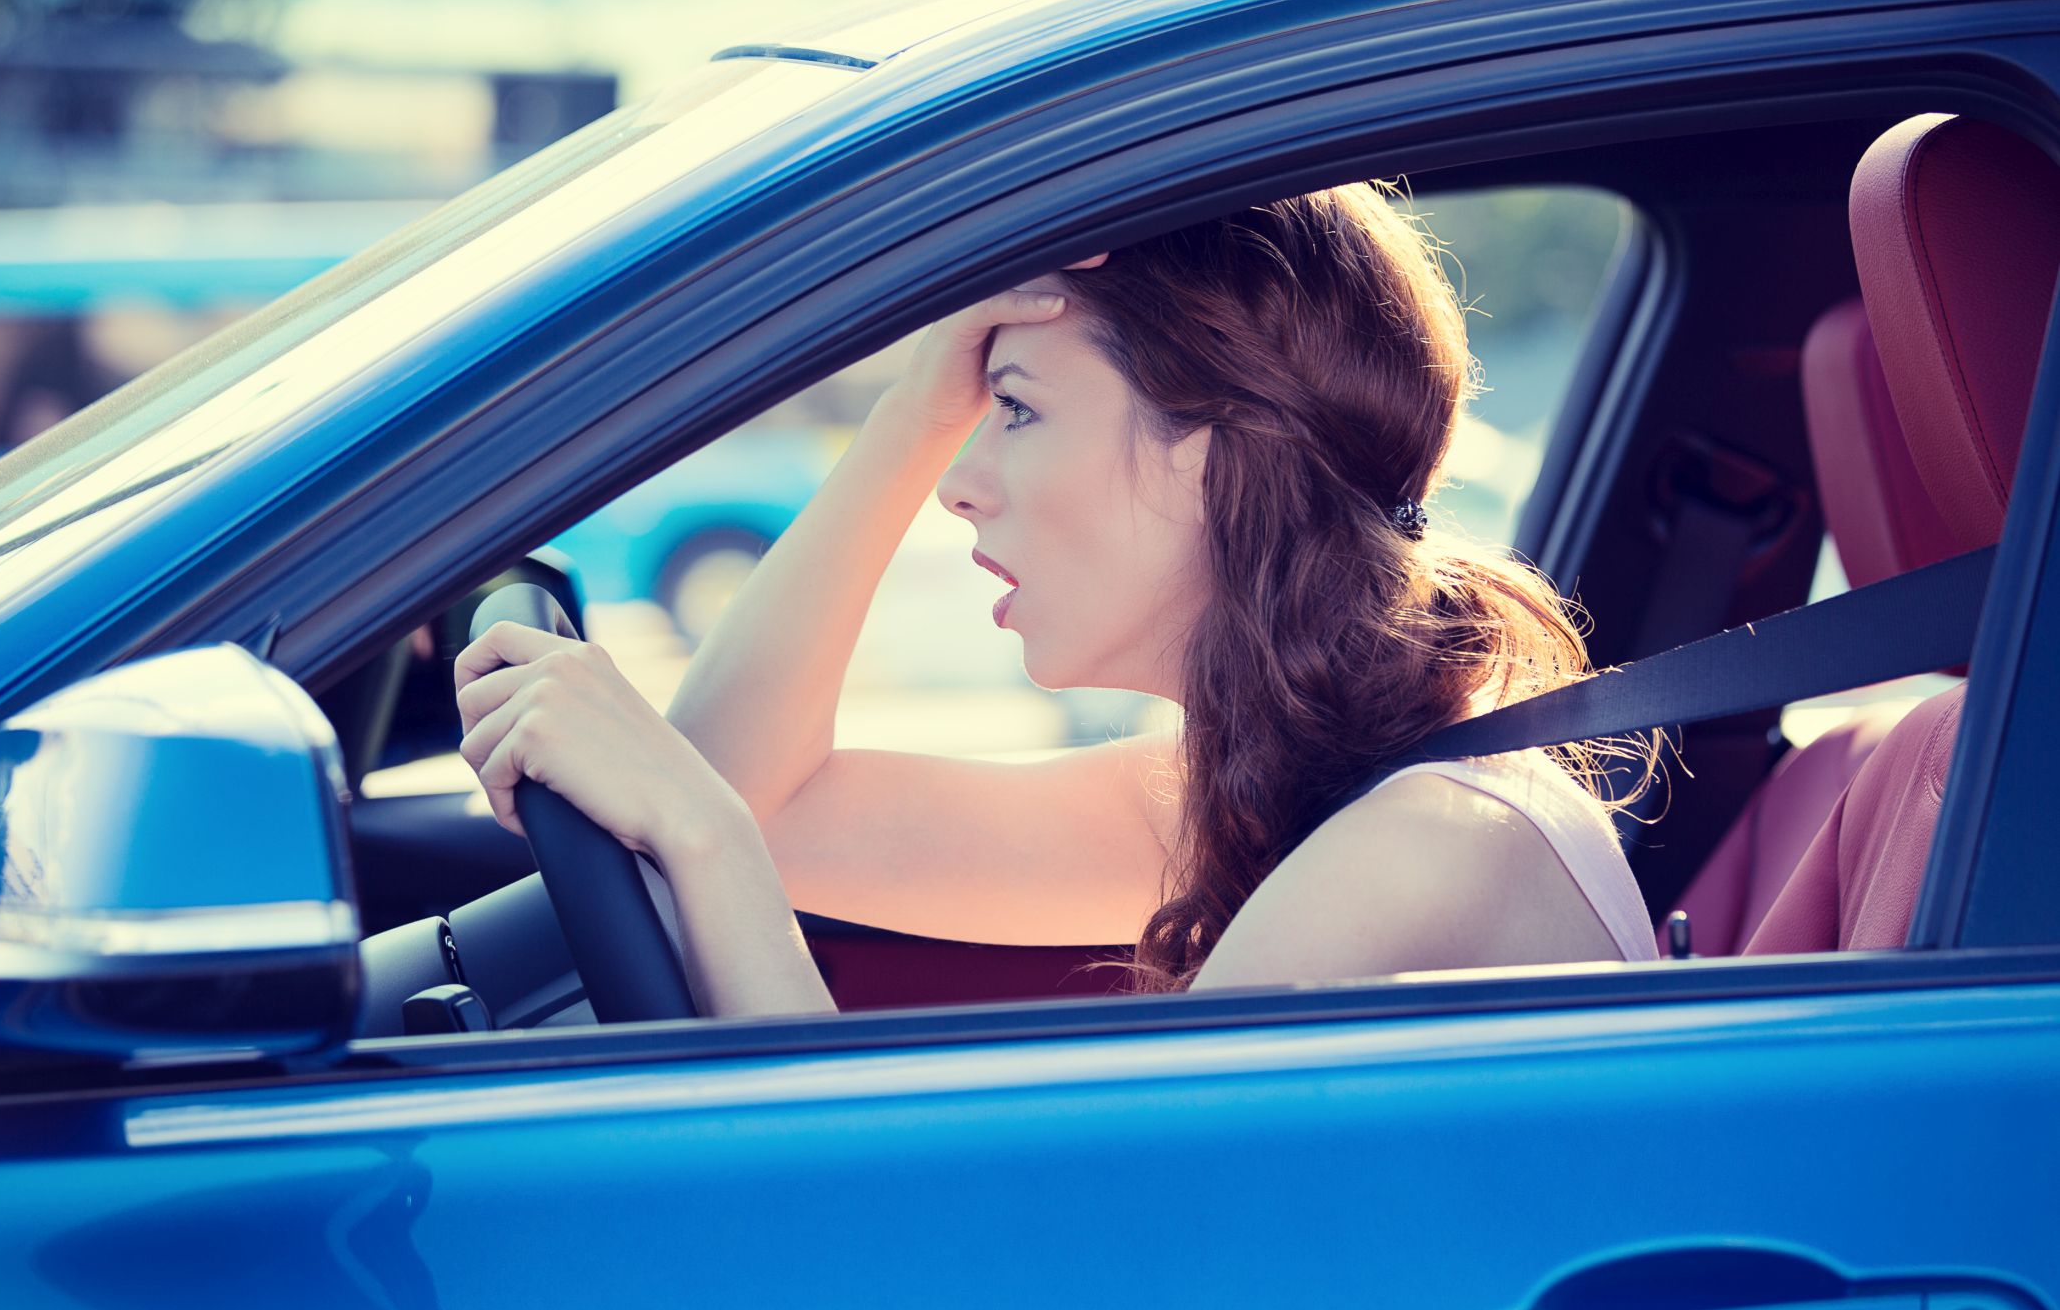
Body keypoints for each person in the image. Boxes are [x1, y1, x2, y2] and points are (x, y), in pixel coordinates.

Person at [453, 182, 1659, 1020]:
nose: (958, 487)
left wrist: (701, 836)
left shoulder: (1422, 844)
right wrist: (911, 411)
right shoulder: (1255, 791)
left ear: (1214, 451)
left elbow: (970, 1287)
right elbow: (747, 797)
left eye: (1016, 408)